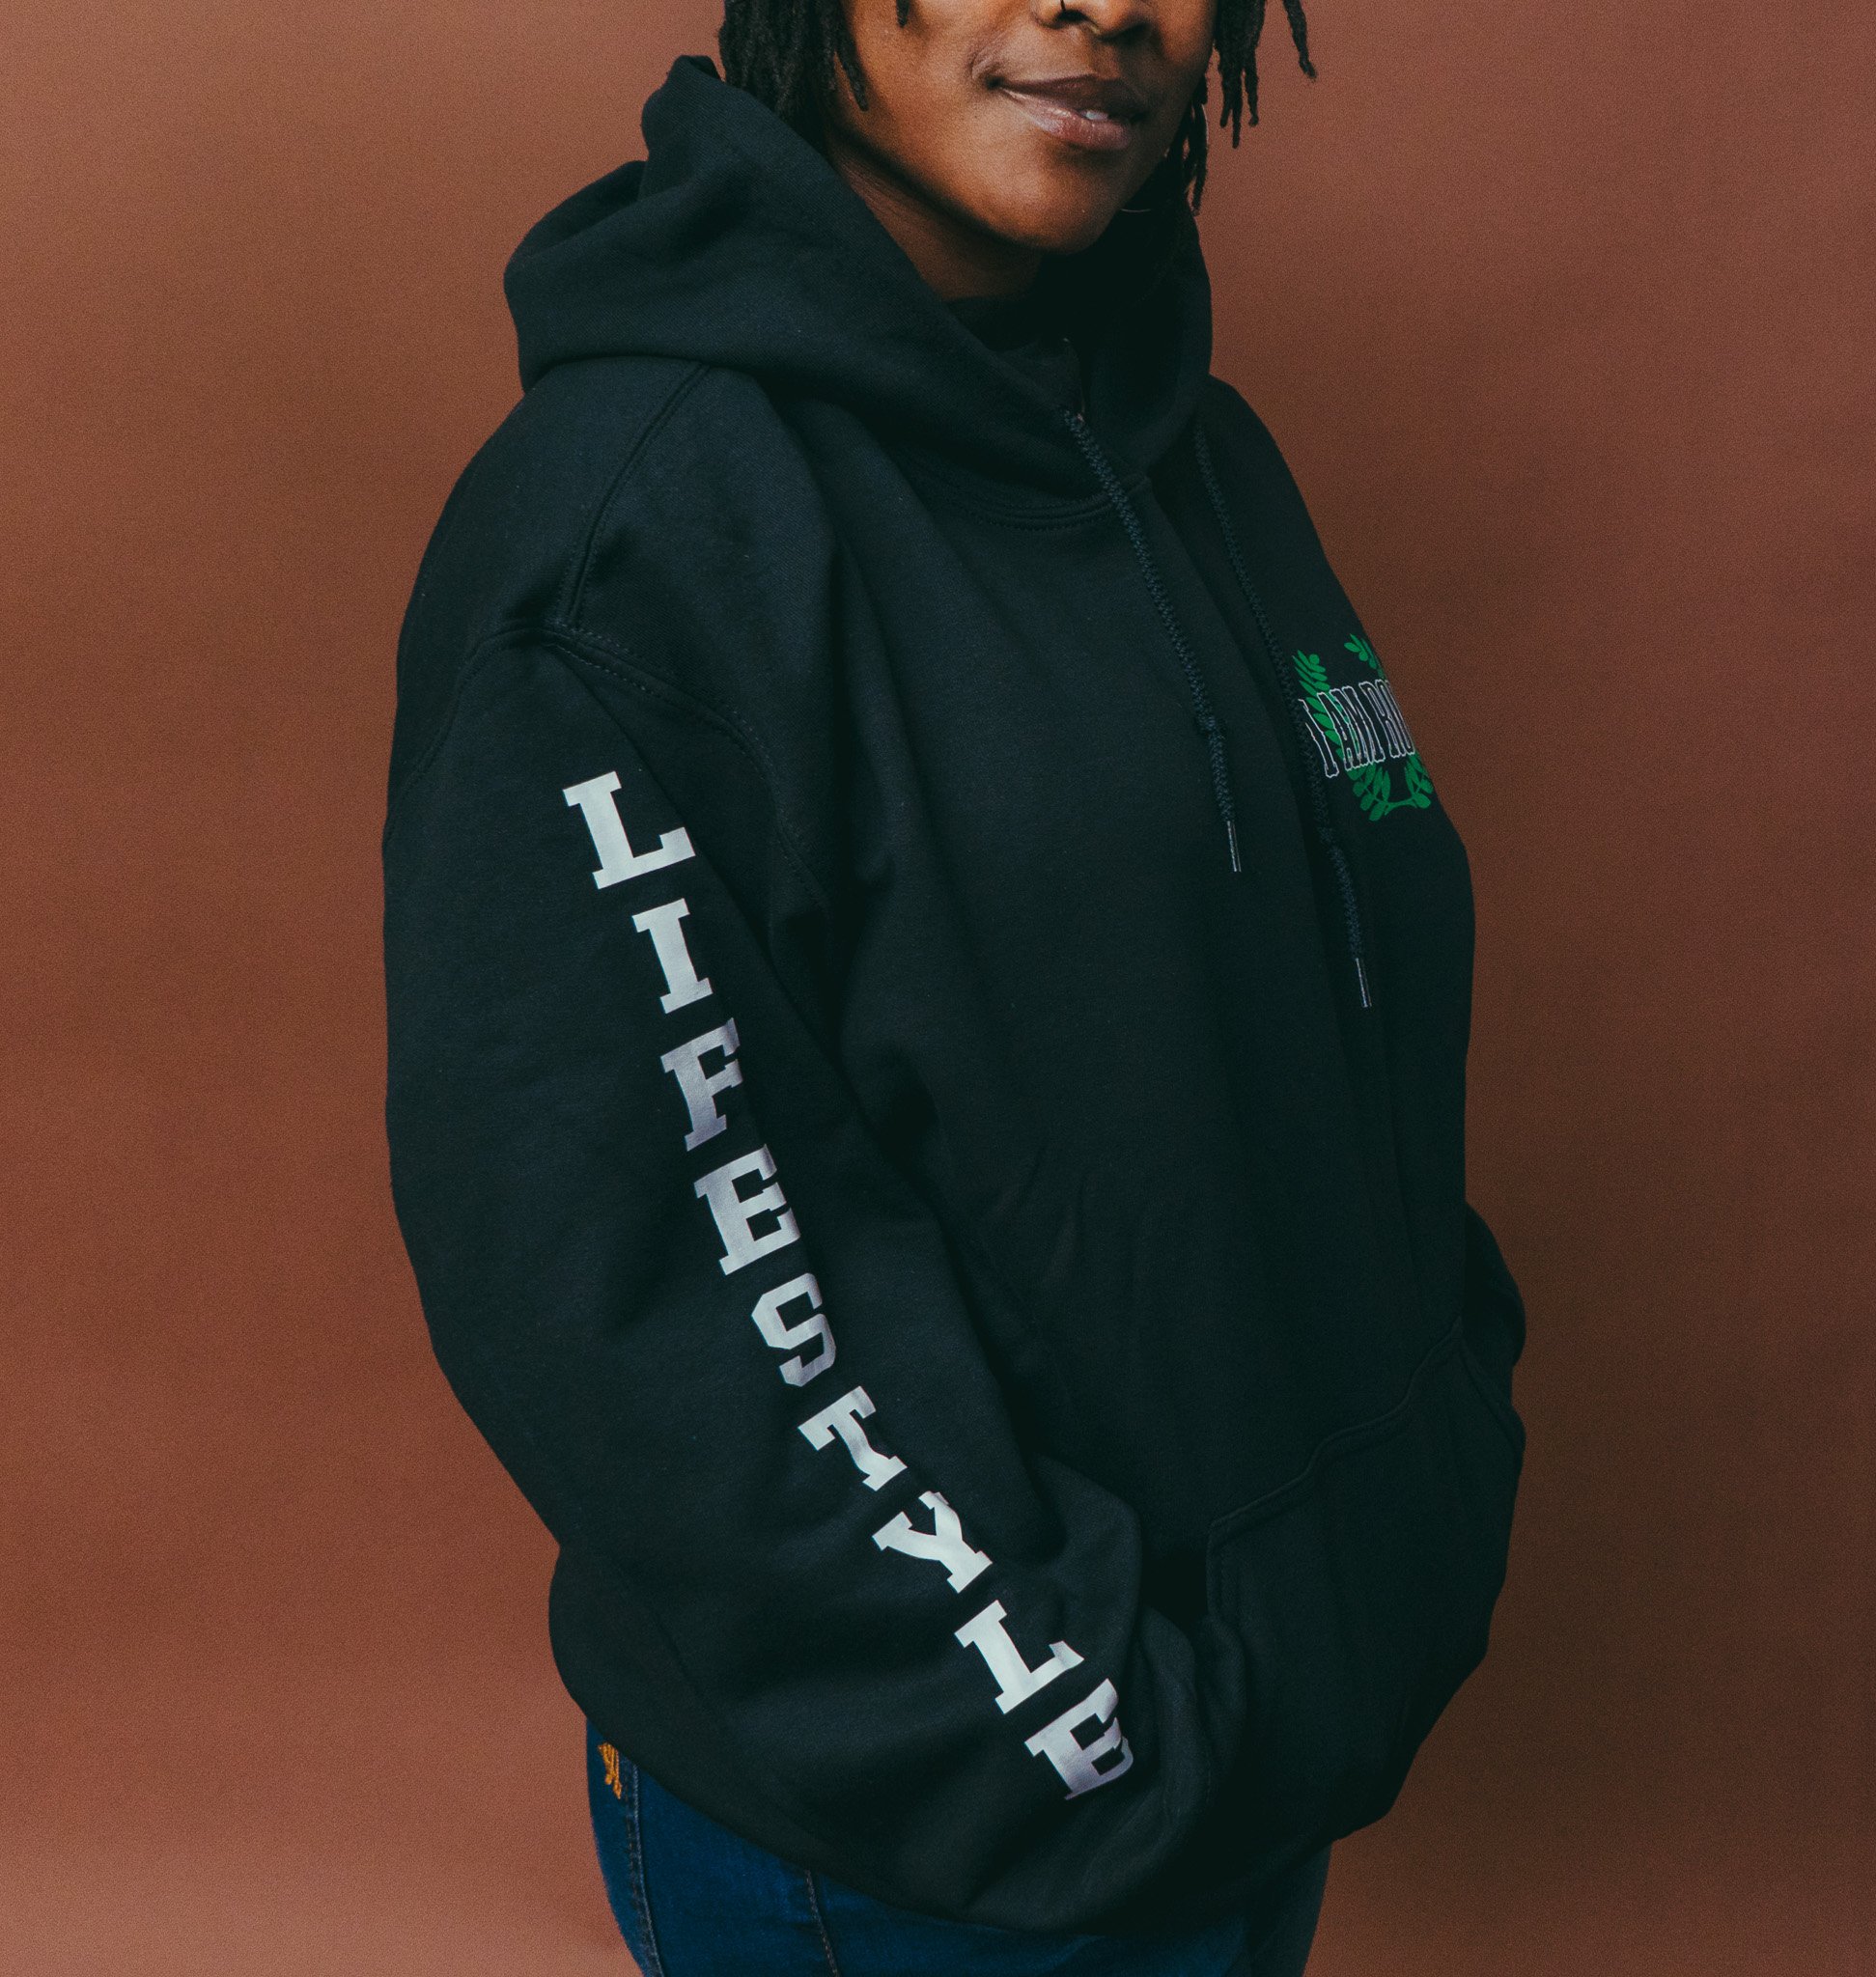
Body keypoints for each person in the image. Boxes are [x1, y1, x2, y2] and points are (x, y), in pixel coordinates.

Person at [382, 0, 1527, 1970]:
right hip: (940, 1837)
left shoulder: (1194, 456)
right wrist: (1079, 1728)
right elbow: (631, 1275)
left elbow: (1344, 1036)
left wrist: (1418, 1490)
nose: (1105, 3)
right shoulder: (626, 534)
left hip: (1254, 1743)